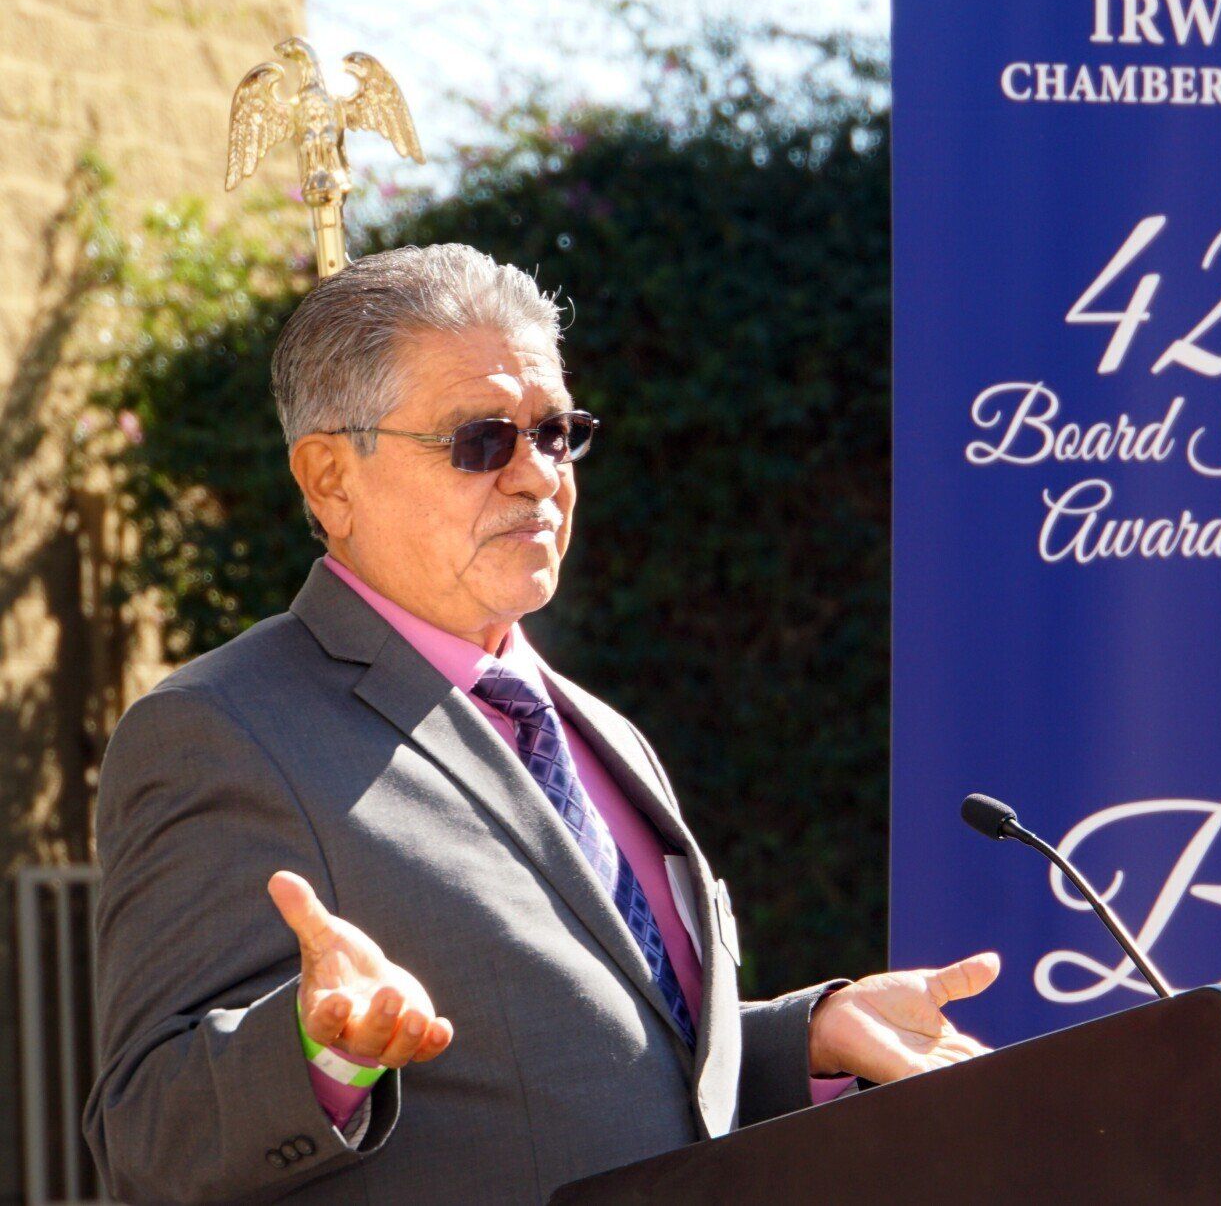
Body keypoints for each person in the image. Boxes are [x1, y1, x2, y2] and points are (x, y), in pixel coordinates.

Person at [82, 244, 999, 1204]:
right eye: (481, 439)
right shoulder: (223, 728)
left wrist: (805, 1033)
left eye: (556, 432)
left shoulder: (599, 729)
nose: (536, 476)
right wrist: (319, 1051)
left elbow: (627, 1059)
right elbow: (147, 1135)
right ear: (329, 479)